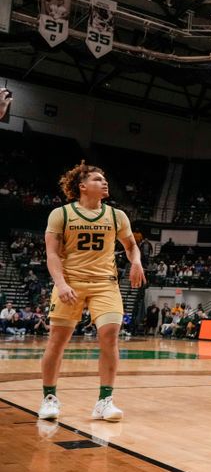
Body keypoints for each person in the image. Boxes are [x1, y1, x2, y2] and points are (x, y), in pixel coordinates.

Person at [39, 162, 146, 421]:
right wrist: (61, 284)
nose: (105, 182)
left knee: (110, 335)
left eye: (105, 178)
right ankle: (49, 398)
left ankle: (105, 401)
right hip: (71, 282)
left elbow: (131, 245)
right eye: (98, 179)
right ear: (82, 186)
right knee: (57, 340)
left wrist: (136, 262)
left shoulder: (117, 216)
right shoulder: (61, 214)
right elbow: (52, 254)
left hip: (105, 283)